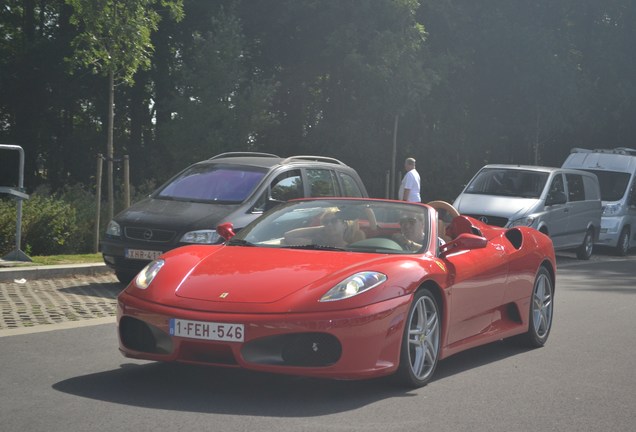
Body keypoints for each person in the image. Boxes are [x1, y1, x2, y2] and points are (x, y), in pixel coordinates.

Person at [283, 208, 365, 247]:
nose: (329, 224)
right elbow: (289, 236)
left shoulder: (352, 248)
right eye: (326, 222)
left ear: (344, 225)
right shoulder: (318, 244)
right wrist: (322, 228)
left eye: (334, 221)